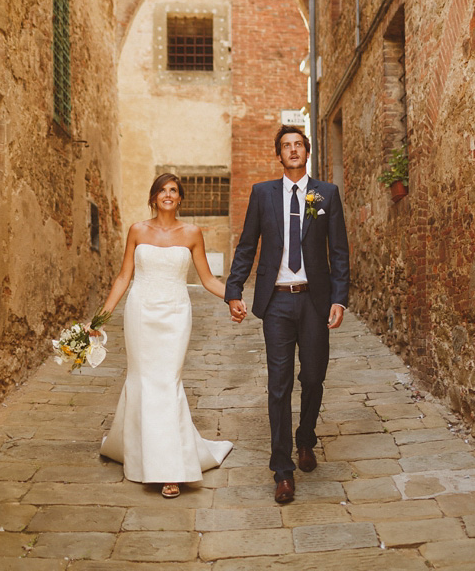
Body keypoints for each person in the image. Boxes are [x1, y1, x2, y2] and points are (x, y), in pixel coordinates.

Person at [225, 125, 350, 503]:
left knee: (313, 378)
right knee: (278, 384)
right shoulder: (263, 193)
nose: (293, 151)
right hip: (277, 301)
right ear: (278, 155)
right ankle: (282, 469)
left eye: (298, 145)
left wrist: (339, 298)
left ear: (307, 152)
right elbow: (248, 244)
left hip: (314, 300)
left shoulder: (325, 193)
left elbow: (339, 250)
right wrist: (234, 290)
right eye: (286, 146)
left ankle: (306, 438)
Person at [97, 173, 234, 498]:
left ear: (180, 198)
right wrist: (100, 318)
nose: (168, 195)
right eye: (162, 190)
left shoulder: (192, 233)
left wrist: (234, 297)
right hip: (141, 312)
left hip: (175, 314)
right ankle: (148, 458)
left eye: (173, 190)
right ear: (153, 197)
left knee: (167, 382)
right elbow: (123, 277)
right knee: (143, 380)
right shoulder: (137, 230)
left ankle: (170, 467)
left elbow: (207, 280)